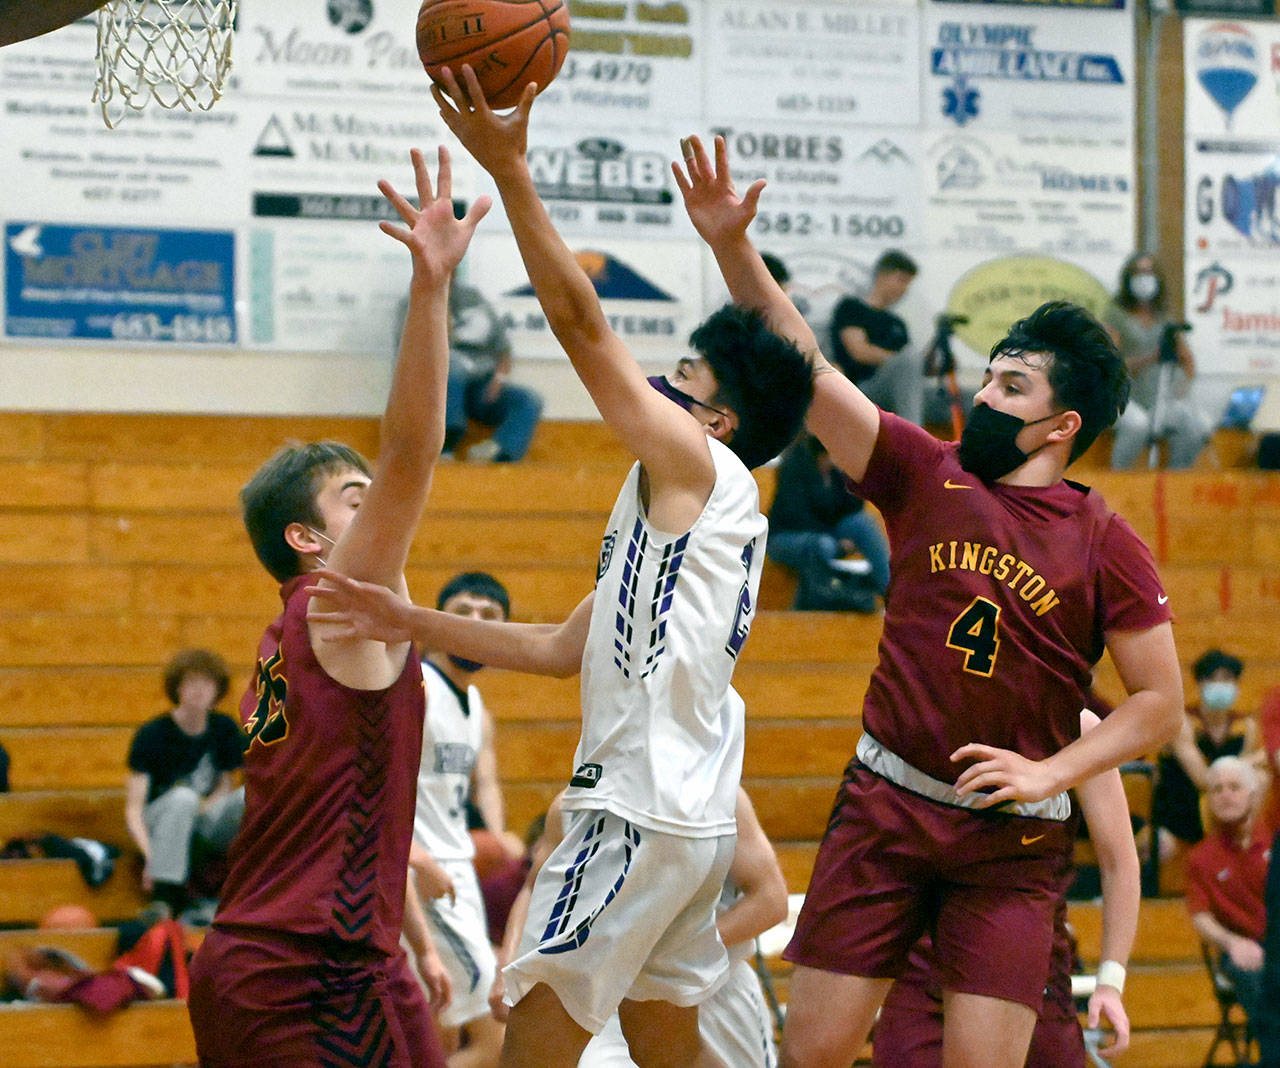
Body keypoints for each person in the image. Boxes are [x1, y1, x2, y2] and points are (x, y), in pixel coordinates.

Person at [305, 71, 812, 1068]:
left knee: (525, 1047)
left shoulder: (696, 466)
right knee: (669, 1052)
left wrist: (510, 170)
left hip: (630, 809)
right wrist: (405, 622)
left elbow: (583, 329)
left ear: (716, 422)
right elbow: (551, 647)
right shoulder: (689, 519)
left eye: (691, 377)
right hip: (686, 823)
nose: (665, 379)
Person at [672, 133, 1182, 1068]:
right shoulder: (921, 470)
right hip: (886, 806)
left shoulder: (1104, 538)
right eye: (989, 373)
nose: (983, 392)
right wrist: (730, 248)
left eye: (1011, 386)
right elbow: (810, 368)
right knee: (812, 1056)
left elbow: (1160, 705)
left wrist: (1050, 773)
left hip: (1011, 845)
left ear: (1061, 426)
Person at [185, 146, 489, 1068]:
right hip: (302, 975)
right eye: (352, 501)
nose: (379, 510)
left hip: (312, 958)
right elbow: (412, 450)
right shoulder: (337, 606)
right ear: (308, 541)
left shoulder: (297, 635)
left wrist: (419, 940)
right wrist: (431, 289)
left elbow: (347, 805)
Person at [871, 708, 1141, 1067]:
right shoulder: (926, 702)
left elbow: (1120, 863)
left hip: (1028, 957)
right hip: (925, 955)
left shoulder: (1075, 723)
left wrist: (1110, 980)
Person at [488, 789, 787, 1068]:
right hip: (612, 995)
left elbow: (771, 900)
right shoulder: (575, 799)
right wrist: (506, 965)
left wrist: (672, 950)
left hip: (716, 988)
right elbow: (534, 889)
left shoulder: (718, 794)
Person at [414, 571, 518, 1067]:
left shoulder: (476, 706)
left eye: (490, 616)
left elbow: (487, 782)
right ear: (435, 624)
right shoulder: (413, 689)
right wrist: (414, 861)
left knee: (445, 1031)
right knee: (494, 1032)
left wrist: (497, 835)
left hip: (460, 866)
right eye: (462, 612)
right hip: (421, 869)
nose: (476, 623)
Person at [124, 647, 244, 917]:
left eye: (206, 683)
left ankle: (251, 884)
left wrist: (206, 807)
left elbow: (226, 783)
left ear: (218, 690)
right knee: (183, 798)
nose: (199, 690)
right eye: (191, 682)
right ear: (177, 688)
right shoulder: (153, 733)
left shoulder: (224, 728)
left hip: (202, 819)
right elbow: (134, 810)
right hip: (160, 822)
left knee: (248, 796)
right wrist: (149, 855)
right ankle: (165, 895)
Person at [1186, 756, 1273, 1044]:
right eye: (1217, 789)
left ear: (1252, 795)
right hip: (1242, 947)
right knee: (1255, 976)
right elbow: (1200, 917)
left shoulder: (1275, 842)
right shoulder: (1200, 858)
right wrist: (1232, 943)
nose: (1225, 795)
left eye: (1234, 787)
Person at [1105, 253, 1212, 470]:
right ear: (1128, 278)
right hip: (1125, 399)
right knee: (1138, 425)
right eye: (1139, 273)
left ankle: (1177, 478)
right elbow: (1110, 366)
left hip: (1158, 398)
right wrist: (1150, 358)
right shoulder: (1116, 316)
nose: (1145, 278)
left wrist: (1181, 388)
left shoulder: (1165, 319)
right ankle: (1119, 479)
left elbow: (1187, 361)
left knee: (1195, 426)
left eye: (1150, 273)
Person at [1152, 648, 1258, 861]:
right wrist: (1253, 760)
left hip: (1223, 817)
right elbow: (1203, 779)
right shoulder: (1183, 723)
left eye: (1227, 679)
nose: (1220, 685)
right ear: (1200, 683)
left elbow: (1246, 782)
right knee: (1162, 847)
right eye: (1213, 679)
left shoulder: (1245, 727)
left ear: (1236, 684)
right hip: (1177, 818)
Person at [767, 432, 888, 612]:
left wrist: (850, 477)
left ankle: (891, 590)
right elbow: (796, 517)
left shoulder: (835, 472)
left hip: (827, 532)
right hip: (786, 537)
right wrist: (839, 544)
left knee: (862, 523)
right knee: (823, 545)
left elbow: (853, 508)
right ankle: (819, 598)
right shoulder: (794, 467)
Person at [445, 272, 543, 462]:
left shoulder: (473, 298)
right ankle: (446, 445)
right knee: (453, 368)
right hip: (441, 389)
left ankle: (499, 452)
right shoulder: (412, 303)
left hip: (479, 386)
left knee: (529, 399)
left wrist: (498, 379)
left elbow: (504, 349)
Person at [828, 250, 924, 426]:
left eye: (908, 284)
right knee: (909, 357)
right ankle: (915, 434)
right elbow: (859, 351)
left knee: (912, 359)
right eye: (901, 280)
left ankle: (911, 433)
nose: (904, 289)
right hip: (859, 389)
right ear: (882, 276)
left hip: (892, 390)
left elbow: (908, 371)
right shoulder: (852, 308)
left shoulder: (897, 323)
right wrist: (898, 360)